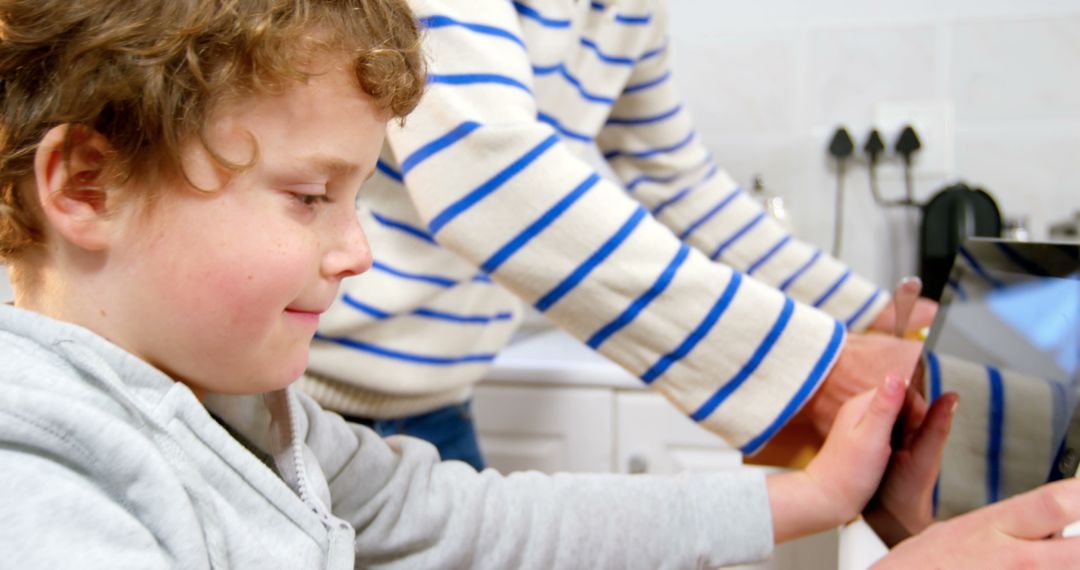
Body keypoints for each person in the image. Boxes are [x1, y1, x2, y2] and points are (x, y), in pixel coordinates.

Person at [0, 0, 942, 567]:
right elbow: (494, 169)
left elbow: (464, 524)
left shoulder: (263, 423)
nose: (357, 251)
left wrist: (813, 495)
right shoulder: (41, 481)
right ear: (86, 186)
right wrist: (817, 368)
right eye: (309, 196)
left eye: (359, 197)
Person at [300, 0, 937, 469]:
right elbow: (487, 179)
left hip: (442, 407)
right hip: (300, 401)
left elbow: (682, 184)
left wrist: (877, 314)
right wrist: (817, 369)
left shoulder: (631, 10)